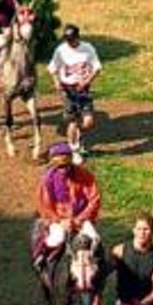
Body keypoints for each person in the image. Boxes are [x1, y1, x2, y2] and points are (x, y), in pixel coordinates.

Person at [35, 141, 102, 257]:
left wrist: (78, 220)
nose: (63, 169)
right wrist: (60, 221)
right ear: (53, 164)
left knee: (95, 238)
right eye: (60, 166)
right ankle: (41, 258)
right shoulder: (47, 180)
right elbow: (44, 205)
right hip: (58, 219)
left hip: (80, 218)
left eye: (66, 166)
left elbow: (94, 199)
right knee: (56, 239)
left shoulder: (84, 175)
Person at [48, 24, 102, 164]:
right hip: (68, 89)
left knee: (88, 122)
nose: (69, 42)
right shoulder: (61, 50)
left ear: (78, 37)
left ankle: (77, 138)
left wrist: (87, 81)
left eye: (72, 39)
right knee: (72, 120)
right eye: (67, 39)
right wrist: (56, 82)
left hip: (83, 89)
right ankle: (74, 150)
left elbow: (97, 67)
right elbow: (53, 68)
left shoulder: (88, 49)